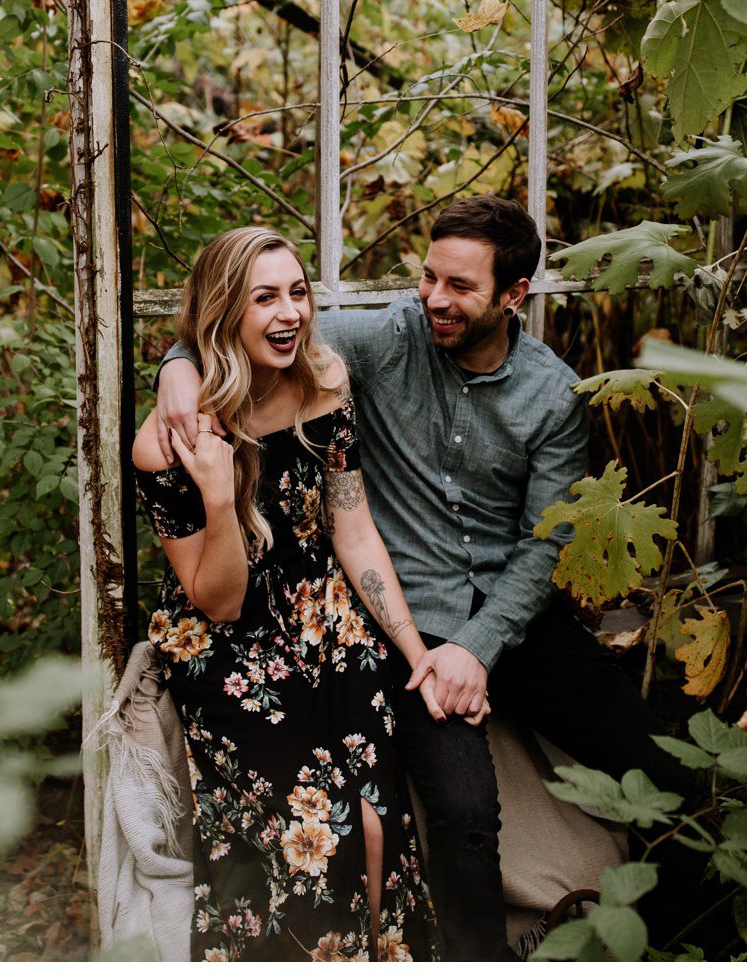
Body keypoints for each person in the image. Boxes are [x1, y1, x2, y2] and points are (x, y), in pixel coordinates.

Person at [157, 196, 693, 960]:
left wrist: (479, 648)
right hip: (414, 616)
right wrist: (176, 369)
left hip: (515, 617)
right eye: (429, 277)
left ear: (514, 295)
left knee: (667, 774)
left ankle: (677, 945)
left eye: (461, 286)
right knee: (465, 813)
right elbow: (249, 327)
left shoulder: (552, 395)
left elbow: (547, 545)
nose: (436, 299)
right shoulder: (387, 339)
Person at [130, 226, 445, 961]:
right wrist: (218, 496)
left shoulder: (323, 381)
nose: (290, 313)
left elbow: (353, 530)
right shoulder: (167, 441)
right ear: (224, 311)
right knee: (322, 838)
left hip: (328, 625)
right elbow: (218, 602)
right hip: (230, 653)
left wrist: (415, 653)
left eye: (298, 293)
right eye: (264, 298)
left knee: (378, 823)